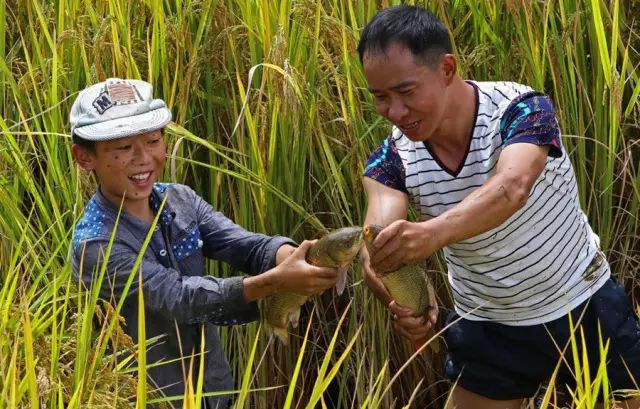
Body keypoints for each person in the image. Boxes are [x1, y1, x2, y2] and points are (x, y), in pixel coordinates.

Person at [357, 5, 640, 409]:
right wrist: (393, 294)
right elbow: (377, 245)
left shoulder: (522, 109)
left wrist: (428, 236)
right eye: (381, 98)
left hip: (583, 305)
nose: (396, 112)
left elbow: (512, 187)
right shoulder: (390, 161)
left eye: (406, 92)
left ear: (448, 68)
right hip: (487, 326)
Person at [69, 78, 340, 408]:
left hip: (213, 390)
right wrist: (278, 281)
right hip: (150, 398)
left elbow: (243, 245)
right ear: (85, 158)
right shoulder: (96, 245)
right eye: (124, 148)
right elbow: (181, 298)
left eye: (153, 140)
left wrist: (298, 256)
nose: (143, 158)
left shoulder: (180, 200)